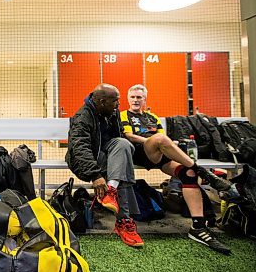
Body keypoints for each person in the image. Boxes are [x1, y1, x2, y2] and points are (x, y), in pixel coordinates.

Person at [120, 84, 231, 254]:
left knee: (188, 173)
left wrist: (164, 143)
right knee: (160, 139)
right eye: (133, 97)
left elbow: (163, 137)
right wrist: (156, 142)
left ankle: (198, 227)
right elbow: (129, 136)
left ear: (144, 99)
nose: (136, 100)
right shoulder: (123, 115)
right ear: (128, 99)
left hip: (159, 152)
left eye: (139, 97)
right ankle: (203, 171)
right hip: (140, 151)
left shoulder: (152, 117)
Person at [66, 83, 144, 247]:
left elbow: (120, 137)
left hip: (109, 153)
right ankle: (124, 222)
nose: (118, 105)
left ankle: (112, 190)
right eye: (115, 101)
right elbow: (80, 148)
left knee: (123, 145)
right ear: (101, 101)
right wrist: (95, 175)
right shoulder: (83, 117)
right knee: (121, 168)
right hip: (85, 159)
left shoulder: (112, 112)